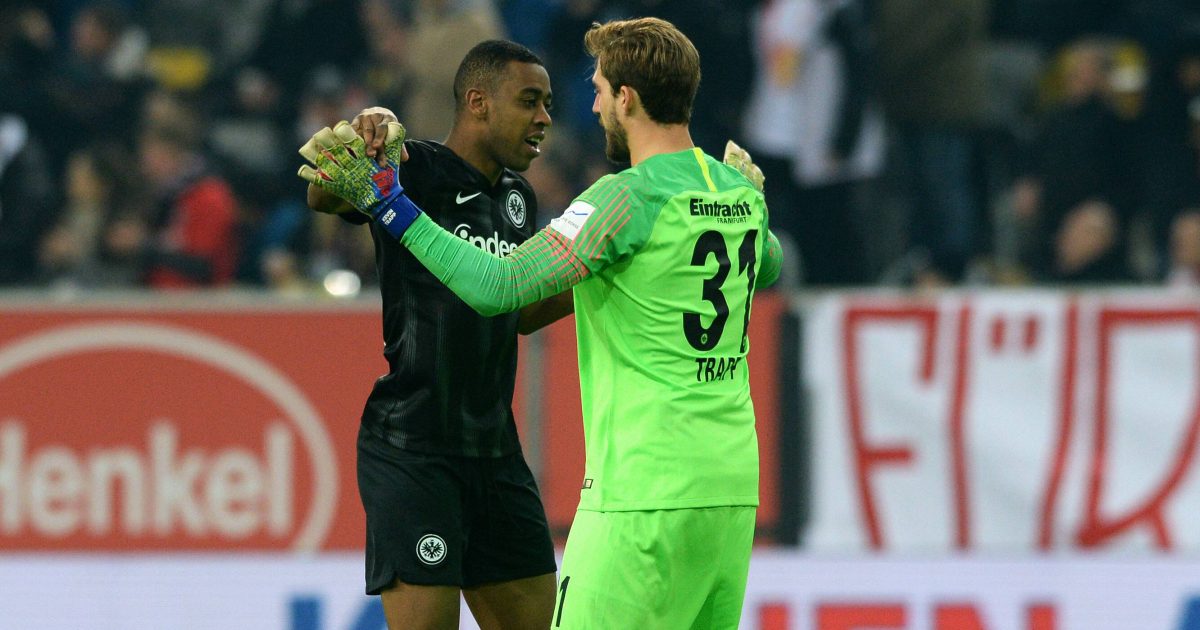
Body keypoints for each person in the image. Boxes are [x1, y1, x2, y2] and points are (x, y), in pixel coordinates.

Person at [300, 18, 783, 628]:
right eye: (533, 101)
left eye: (598, 90)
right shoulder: (735, 191)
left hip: (628, 488)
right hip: (725, 488)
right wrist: (371, 136)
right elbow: (767, 264)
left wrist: (393, 208)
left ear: (626, 98)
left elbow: (503, 291)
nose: (581, 109)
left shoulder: (612, 197)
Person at [304, 41, 570, 629]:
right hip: (413, 451)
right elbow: (323, 193)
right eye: (529, 101)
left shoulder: (519, 200)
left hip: (496, 455)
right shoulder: (414, 167)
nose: (544, 119)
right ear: (478, 102)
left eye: (547, 104)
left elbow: (516, 308)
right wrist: (364, 136)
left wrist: (602, 281)